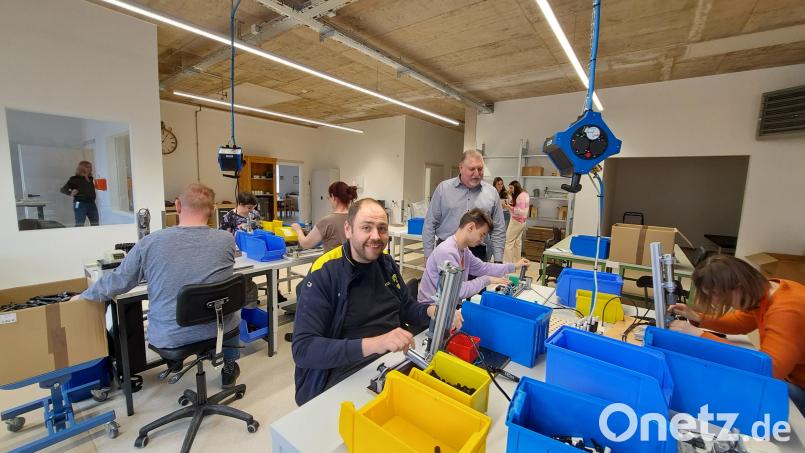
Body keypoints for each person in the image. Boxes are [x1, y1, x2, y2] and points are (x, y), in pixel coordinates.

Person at [77, 184, 243, 388]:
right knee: (234, 312)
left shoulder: (150, 242)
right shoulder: (227, 240)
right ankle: (229, 365)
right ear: (213, 210)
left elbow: (119, 281)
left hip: (171, 336)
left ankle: (174, 361)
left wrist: (82, 296)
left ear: (177, 206)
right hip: (220, 329)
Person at [292, 198, 449, 406]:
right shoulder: (325, 273)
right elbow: (304, 349)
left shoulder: (386, 263)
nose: (376, 236)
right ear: (348, 230)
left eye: (382, 229)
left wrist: (431, 311)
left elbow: (405, 307)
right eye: (366, 227)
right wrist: (378, 343)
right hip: (345, 372)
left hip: (392, 361)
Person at [668, 255, 805, 414]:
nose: (715, 303)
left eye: (718, 296)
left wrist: (701, 336)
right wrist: (698, 318)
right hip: (790, 376)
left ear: (739, 287)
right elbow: (741, 322)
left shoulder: (787, 311)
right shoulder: (767, 291)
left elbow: (768, 371)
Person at [418, 208, 529, 304]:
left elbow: (483, 268)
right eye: (482, 234)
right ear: (470, 227)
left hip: (447, 305)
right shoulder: (447, 251)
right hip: (430, 310)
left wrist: (515, 266)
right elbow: (458, 291)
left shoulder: (464, 250)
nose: (482, 240)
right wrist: (487, 280)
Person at [423, 150, 506, 264]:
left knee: (477, 282)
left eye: (480, 169)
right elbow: (430, 223)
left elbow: (498, 228)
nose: (477, 174)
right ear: (461, 168)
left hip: (478, 253)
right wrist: (428, 255)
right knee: (445, 283)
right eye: (472, 169)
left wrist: (498, 260)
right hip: (446, 250)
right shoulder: (443, 189)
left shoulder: (492, 193)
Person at [291, 181, 357, 252]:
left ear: (333, 197)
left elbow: (305, 244)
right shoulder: (356, 218)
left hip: (334, 262)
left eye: (329, 197)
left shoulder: (327, 221)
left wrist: (297, 229)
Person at [60, 160, 98, 227]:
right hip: (80, 204)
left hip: (92, 204)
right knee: (79, 224)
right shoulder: (75, 179)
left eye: (90, 167)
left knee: (95, 224)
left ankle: (95, 237)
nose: (90, 169)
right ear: (82, 168)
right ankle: (78, 237)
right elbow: (63, 189)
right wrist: (70, 193)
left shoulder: (90, 178)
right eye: (87, 167)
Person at [503, 180, 529, 263]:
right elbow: (520, 209)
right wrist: (511, 204)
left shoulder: (520, 196)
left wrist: (509, 207)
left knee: (508, 242)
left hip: (516, 222)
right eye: (509, 188)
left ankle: (507, 264)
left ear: (516, 187)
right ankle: (517, 262)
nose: (509, 189)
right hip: (522, 222)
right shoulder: (524, 194)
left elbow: (522, 211)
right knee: (517, 242)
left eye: (511, 188)